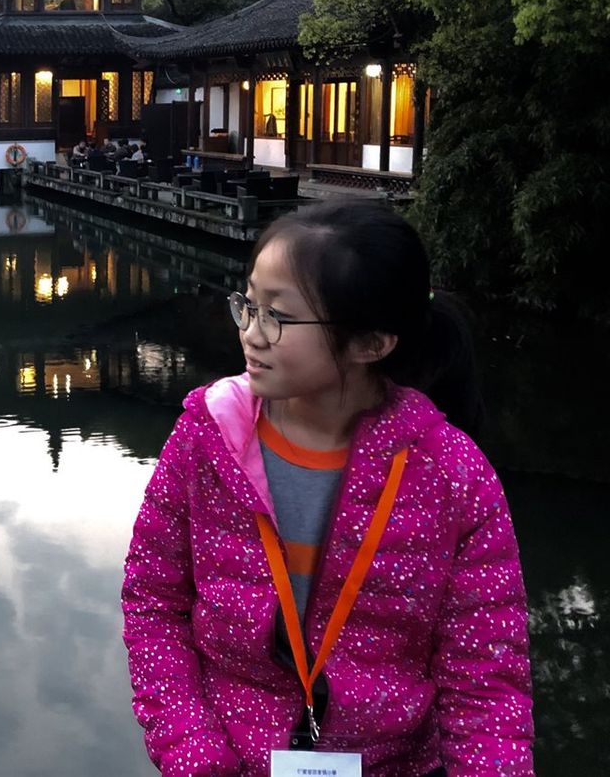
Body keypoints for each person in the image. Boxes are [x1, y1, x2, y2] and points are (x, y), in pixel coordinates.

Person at [121, 200, 533, 776]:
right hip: (226, 759)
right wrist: (194, 753)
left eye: (277, 317)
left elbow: (485, 680)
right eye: (248, 305)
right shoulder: (207, 438)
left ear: (371, 343)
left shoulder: (452, 476)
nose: (250, 333)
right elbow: (154, 602)